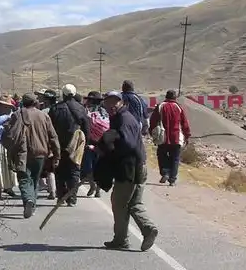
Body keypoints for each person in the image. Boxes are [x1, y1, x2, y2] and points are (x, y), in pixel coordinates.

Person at [97, 91, 158, 251]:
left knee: (119, 203)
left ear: (122, 102)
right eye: (108, 103)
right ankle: (148, 228)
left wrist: (112, 144)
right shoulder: (121, 118)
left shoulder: (124, 119)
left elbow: (128, 145)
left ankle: (121, 240)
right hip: (138, 165)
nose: (111, 106)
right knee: (134, 203)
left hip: (129, 168)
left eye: (114, 102)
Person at [3, 93, 60, 218]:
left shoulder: (17, 115)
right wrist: (56, 155)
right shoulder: (44, 116)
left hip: (21, 153)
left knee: (23, 178)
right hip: (40, 153)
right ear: (35, 103)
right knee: (34, 179)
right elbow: (53, 137)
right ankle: (32, 205)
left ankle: (28, 200)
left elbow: (8, 134)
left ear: (23, 102)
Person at [47, 84, 91, 206]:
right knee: (74, 171)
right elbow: (87, 128)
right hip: (75, 145)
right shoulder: (81, 108)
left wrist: (50, 145)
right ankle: (72, 198)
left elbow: (50, 128)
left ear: (63, 94)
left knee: (60, 171)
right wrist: (86, 143)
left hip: (59, 145)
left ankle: (61, 197)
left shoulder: (55, 108)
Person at [148, 89, 191, 186]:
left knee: (162, 155)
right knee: (175, 158)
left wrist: (152, 132)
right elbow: (184, 123)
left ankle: (165, 172)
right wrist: (187, 135)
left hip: (162, 137)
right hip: (176, 137)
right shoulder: (178, 107)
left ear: (166, 97)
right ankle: (172, 180)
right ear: (175, 97)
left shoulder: (160, 106)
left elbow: (153, 121)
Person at [82, 91, 109, 197]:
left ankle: (96, 188)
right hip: (97, 142)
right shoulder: (103, 113)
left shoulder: (93, 113)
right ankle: (94, 186)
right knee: (91, 167)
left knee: (92, 167)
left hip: (96, 142)